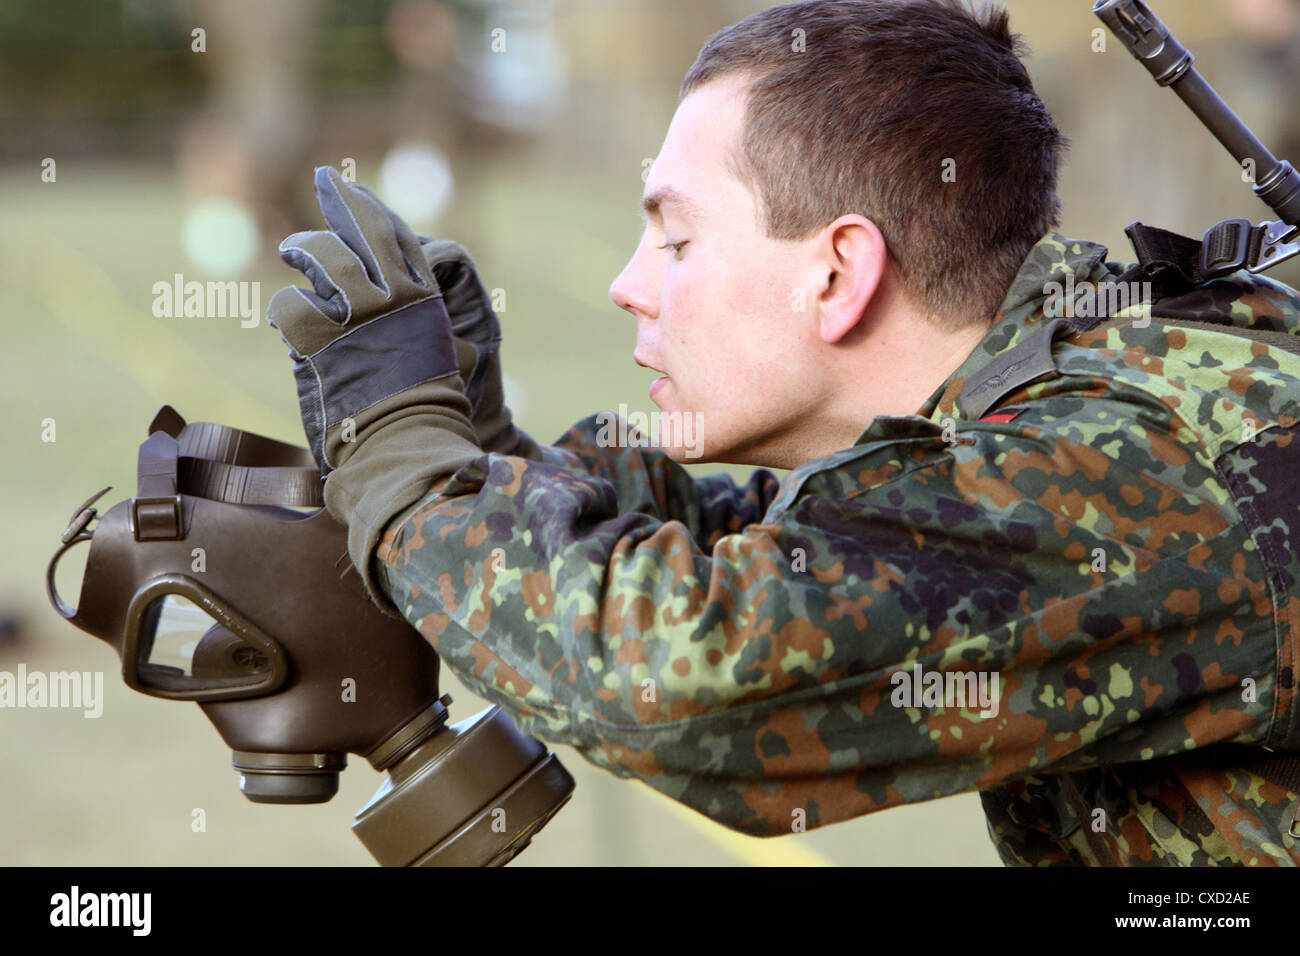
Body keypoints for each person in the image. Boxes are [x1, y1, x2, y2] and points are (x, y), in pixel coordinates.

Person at [266, 0, 1300, 865]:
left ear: (838, 273)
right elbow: (784, 551)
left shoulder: (1144, 464)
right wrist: (480, 450)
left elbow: (686, 679)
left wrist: (407, 451)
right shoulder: (1038, 392)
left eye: (676, 236)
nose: (627, 284)